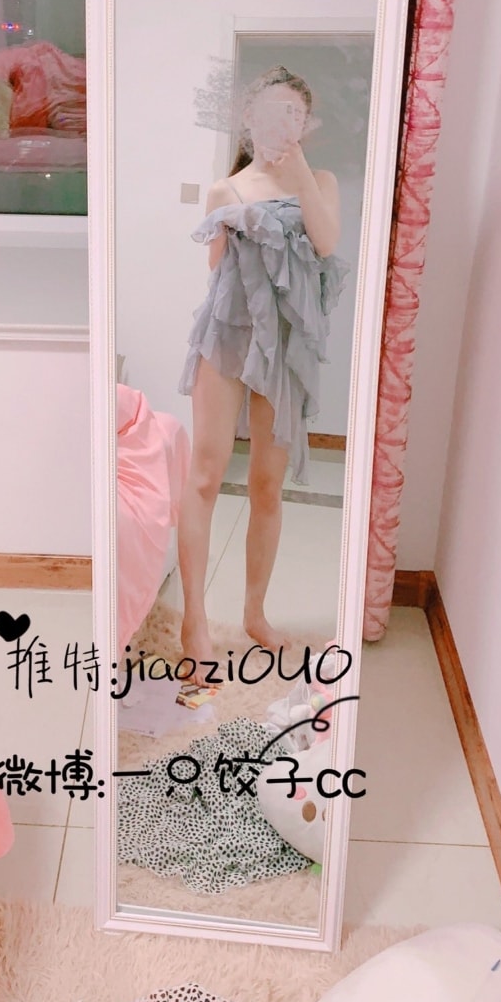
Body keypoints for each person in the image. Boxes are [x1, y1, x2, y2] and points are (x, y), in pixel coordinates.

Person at [177, 65, 350, 684]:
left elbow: (326, 244)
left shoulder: (320, 181)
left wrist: (296, 169)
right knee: (205, 474)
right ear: (249, 118)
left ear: (306, 123)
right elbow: (216, 272)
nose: (285, 121)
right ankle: (194, 621)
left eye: (295, 113)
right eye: (274, 111)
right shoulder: (224, 190)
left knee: (268, 485)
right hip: (227, 336)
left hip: (287, 348)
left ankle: (255, 614)